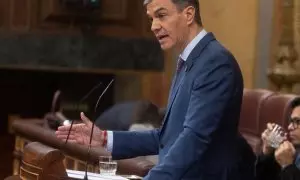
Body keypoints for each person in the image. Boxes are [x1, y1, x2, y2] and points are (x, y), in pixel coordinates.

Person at [56, 0, 254, 179]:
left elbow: (194, 140)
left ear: (188, 14)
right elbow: (166, 137)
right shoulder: (188, 61)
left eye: (161, 15)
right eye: (151, 18)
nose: (153, 26)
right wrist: (104, 138)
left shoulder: (214, 62)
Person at [256, 99, 300, 180]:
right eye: (291, 121)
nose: (289, 127)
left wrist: (287, 166)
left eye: (298, 121)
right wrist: (267, 153)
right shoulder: (292, 152)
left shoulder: (288, 158)